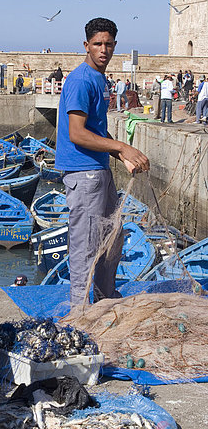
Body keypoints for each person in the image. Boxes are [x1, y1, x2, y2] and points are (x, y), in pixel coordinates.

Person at [55, 17, 150, 307]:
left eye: (108, 44)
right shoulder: (81, 80)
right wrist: (121, 145)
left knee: (112, 236)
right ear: (86, 45)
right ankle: (80, 311)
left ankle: (105, 296)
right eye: (97, 44)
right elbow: (77, 133)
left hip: (99, 170)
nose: (103, 49)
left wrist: (119, 154)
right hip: (83, 174)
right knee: (85, 245)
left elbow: (95, 130)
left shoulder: (99, 79)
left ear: (115, 46)